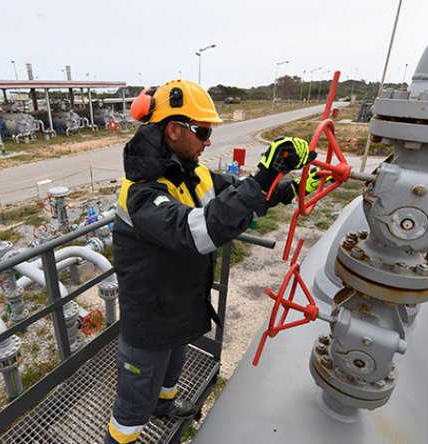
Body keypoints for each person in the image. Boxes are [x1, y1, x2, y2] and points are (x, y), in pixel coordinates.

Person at [105, 79, 315, 444]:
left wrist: (287, 187)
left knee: (172, 370)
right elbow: (195, 232)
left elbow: (234, 197)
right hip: (150, 319)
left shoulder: (193, 171)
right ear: (174, 130)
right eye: (202, 131)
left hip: (180, 305)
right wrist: (265, 175)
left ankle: (164, 405)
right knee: (131, 410)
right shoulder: (140, 192)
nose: (208, 141)